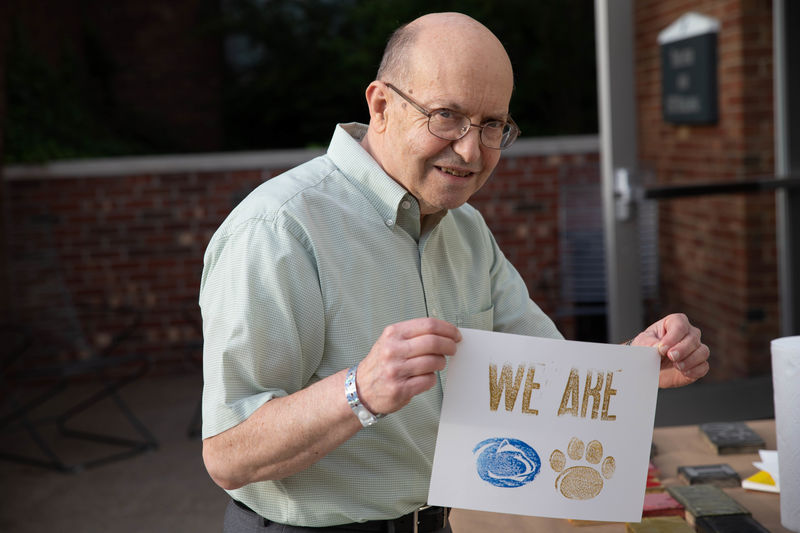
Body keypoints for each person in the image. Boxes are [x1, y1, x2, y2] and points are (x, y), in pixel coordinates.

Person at [200, 11, 710, 533]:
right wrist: (359, 391)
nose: (470, 150)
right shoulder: (278, 228)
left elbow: (544, 376)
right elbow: (227, 454)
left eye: (492, 125)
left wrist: (634, 368)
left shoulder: (465, 227)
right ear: (380, 106)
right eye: (446, 115)